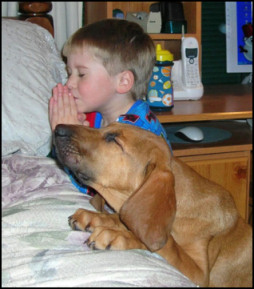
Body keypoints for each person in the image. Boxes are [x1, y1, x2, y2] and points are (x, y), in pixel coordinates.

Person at [49, 19, 172, 195]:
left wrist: (68, 138)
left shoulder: (137, 136)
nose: (69, 83)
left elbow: (97, 192)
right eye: (69, 73)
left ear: (123, 81)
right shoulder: (95, 117)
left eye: (81, 74)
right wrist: (65, 138)